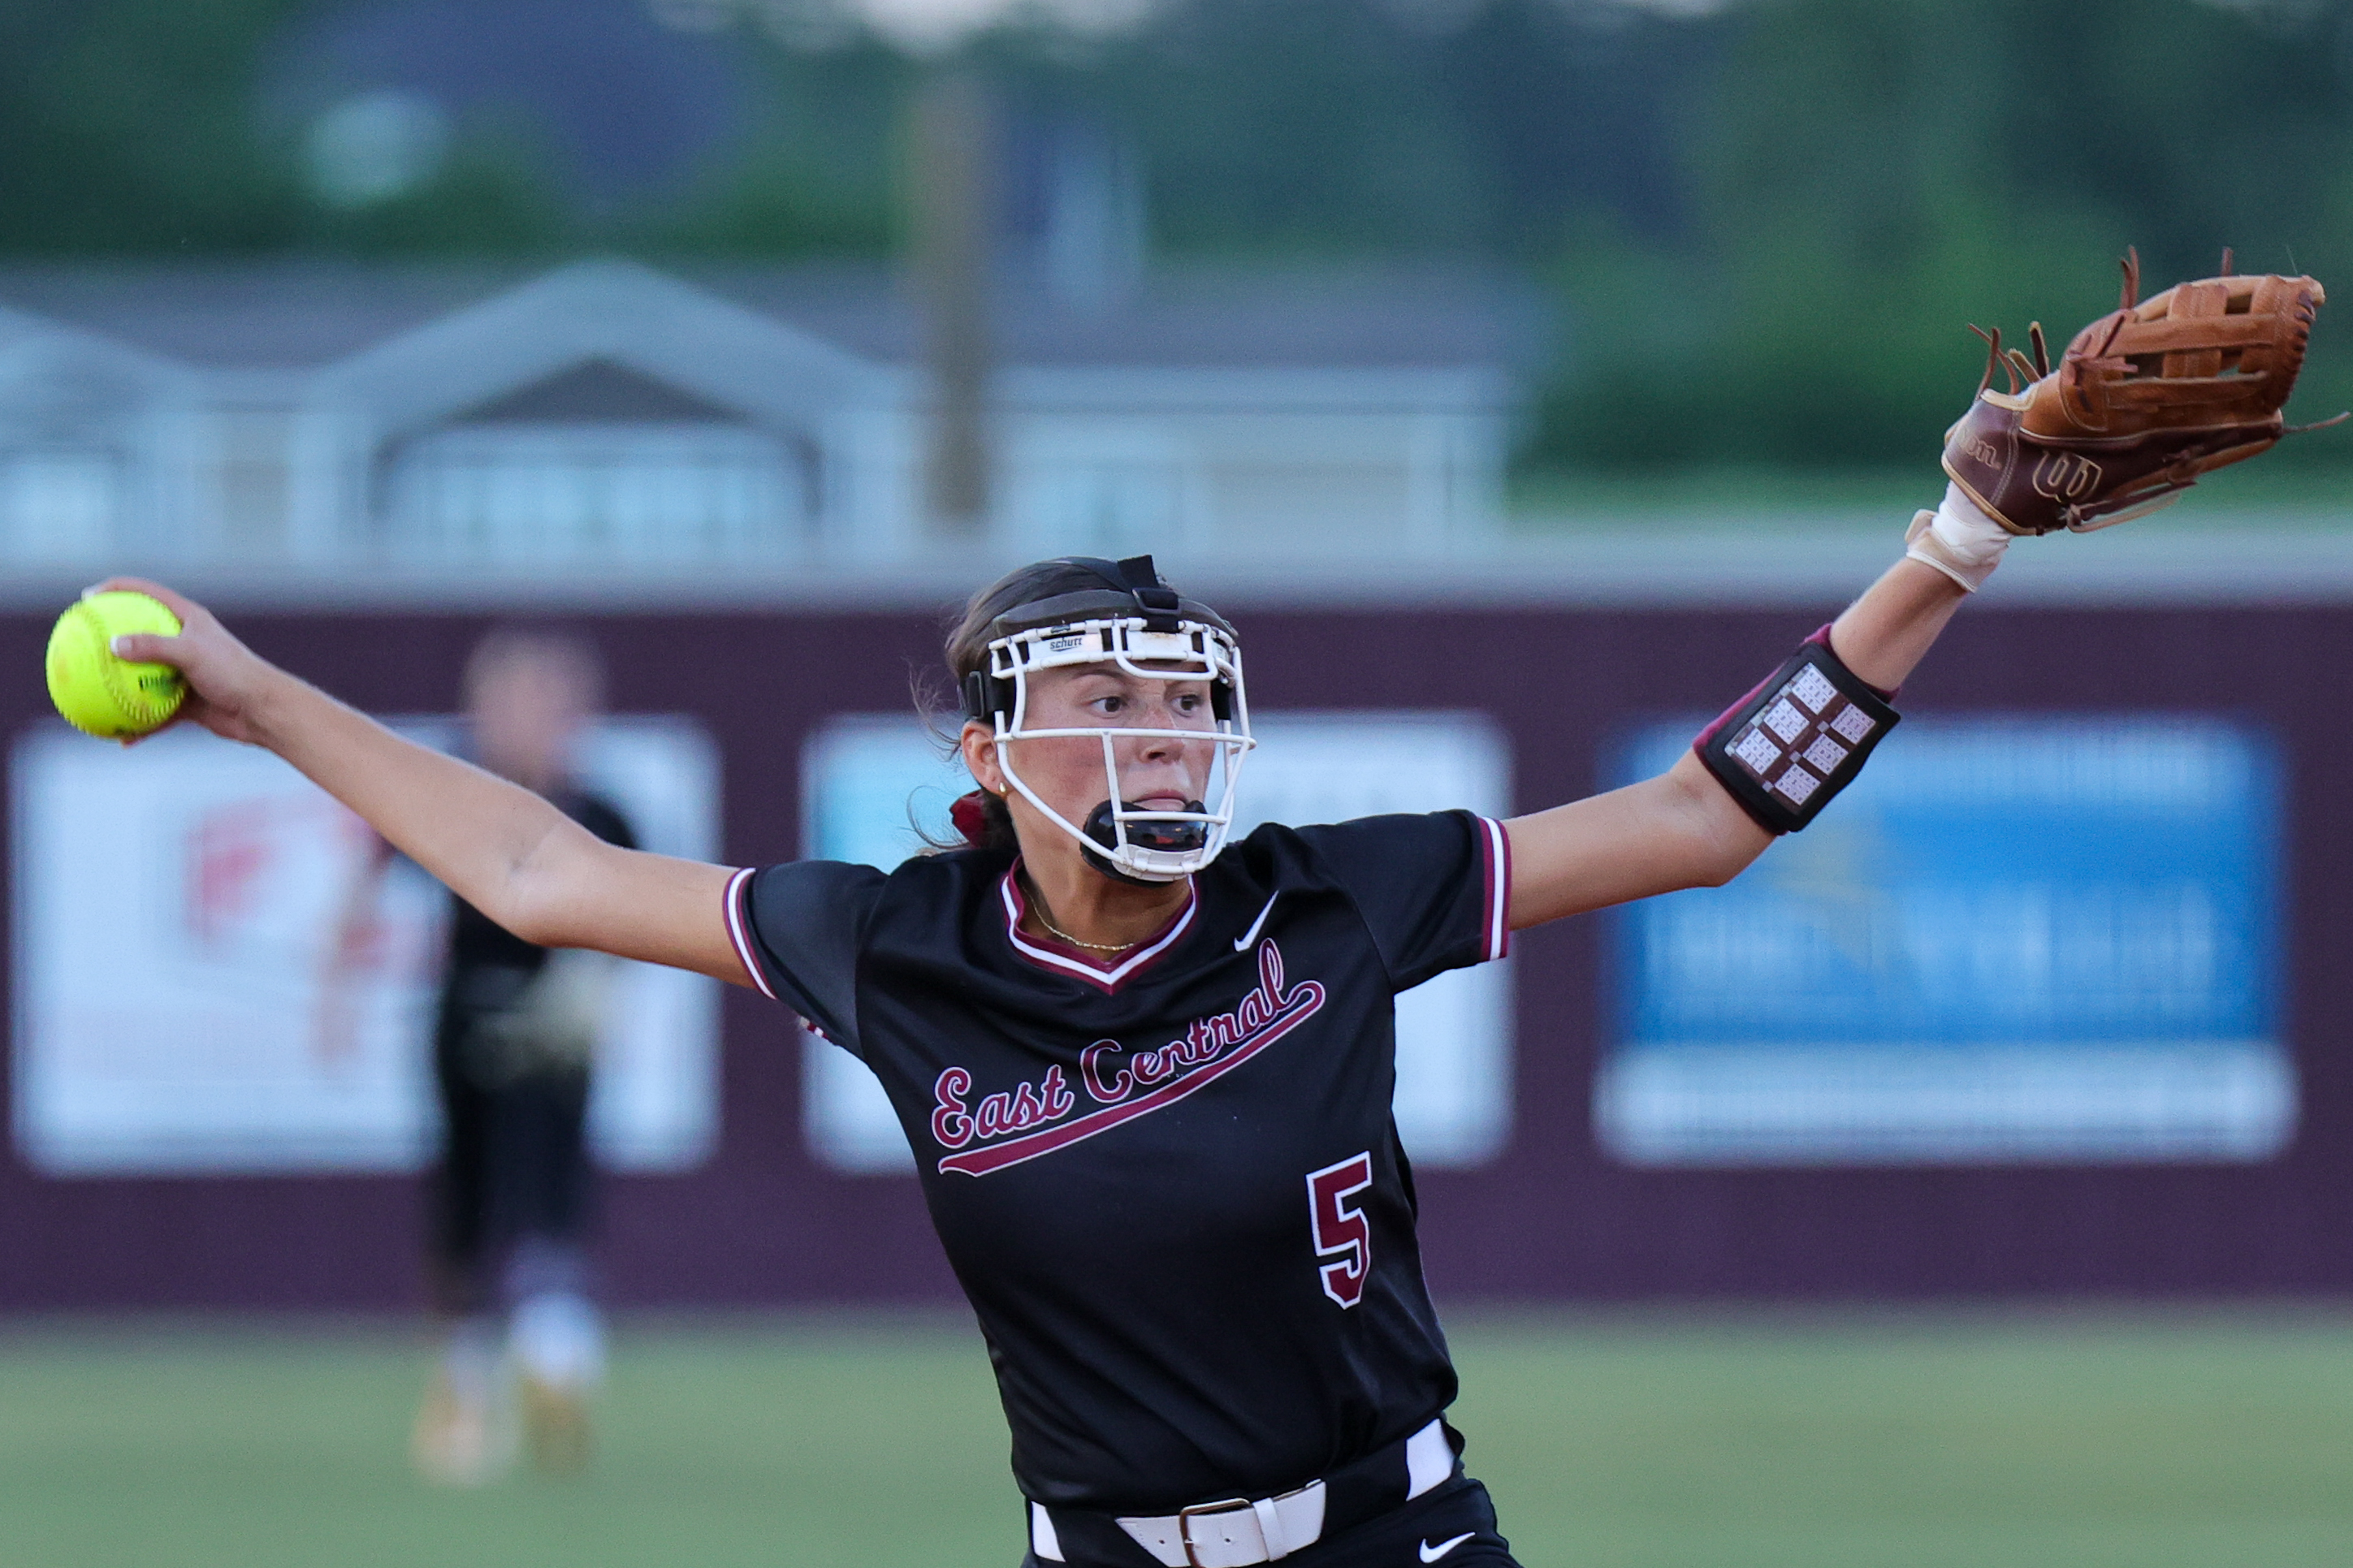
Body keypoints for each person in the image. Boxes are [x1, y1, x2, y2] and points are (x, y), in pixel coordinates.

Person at [99, 477, 2008, 1566]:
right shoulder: (900, 947)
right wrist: (258, 700)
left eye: (1180, 704)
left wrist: (1952, 541)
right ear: (985, 754)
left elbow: (1700, 816)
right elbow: (534, 866)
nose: (1157, 738)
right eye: (1103, 703)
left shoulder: (1323, 900)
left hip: (1394, 1539)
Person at [318, 631, 634, 1484]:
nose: (532, 721)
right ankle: (465, 1387)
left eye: (550, 703)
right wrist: (333, 998)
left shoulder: (600, 813)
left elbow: (649, 919)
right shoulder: (457, 797)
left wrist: (593, 992)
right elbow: (368, 876)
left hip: (554, 1037)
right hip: (467, 1021)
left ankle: (558, 1366)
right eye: (512, 701)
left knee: (554, 1194)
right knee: (462, 1206)